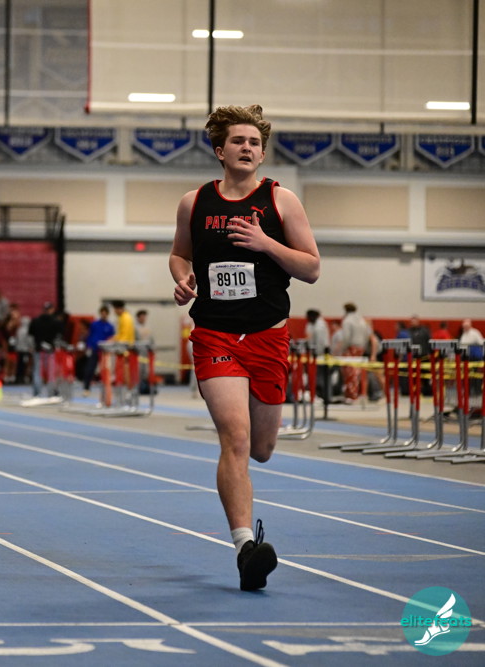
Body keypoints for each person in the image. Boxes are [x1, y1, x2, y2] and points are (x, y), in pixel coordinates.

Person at [169, 104, 320, 591]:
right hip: (215, 335)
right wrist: (183, 279)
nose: (248, 148)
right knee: (234, 437)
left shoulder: (282, 201)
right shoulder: (194, 203)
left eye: (255, 142)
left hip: (268, 336)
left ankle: (246, 543)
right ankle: (245, 549)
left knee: (262, 448)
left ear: (262, 152)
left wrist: (264, 242)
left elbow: (312, 268)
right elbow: (179, 254)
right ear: (220, 150)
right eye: (238, 140)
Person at [339, 303, 372, 402]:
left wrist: (343, 348)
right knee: (358, 372)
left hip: (351, 348)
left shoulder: (347, 321)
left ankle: (351, 395)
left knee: (350, 372)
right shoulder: (362, 320)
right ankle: (361, 394)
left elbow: (346, 337)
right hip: (360, 348)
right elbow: (368, 334)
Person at [82, 305, 115, 395]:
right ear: (100, 313)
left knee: (105, 370)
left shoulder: (110, 326)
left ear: (107, 314)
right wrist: (88, 346)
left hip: (105, 352)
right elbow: (89, 336)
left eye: (105, 313)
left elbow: (112, 338)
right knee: (90, 369)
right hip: (94, 349)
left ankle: (106, 389)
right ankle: (86, 388)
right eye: (102, 313)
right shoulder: (94, 324)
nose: (103, 315)